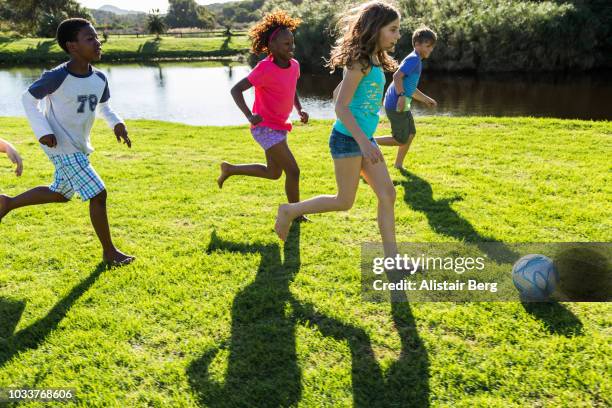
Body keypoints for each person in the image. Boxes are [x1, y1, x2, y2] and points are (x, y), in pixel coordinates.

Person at [0, 18, 134, 266]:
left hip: (79, 144)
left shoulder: (100, 78)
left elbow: (104, 106)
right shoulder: (57, 76)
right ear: (72, 46)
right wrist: (43, 131)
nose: (97, 42)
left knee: (60, 193)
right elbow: (28, 100)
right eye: (90, 38)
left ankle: (7, 203)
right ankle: (110, 253)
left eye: (97, 37)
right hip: (59, 144)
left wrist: (117, 123)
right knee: (98, 193)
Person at [275, 1, 401, 259]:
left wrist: (365, 135)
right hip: (348, 139)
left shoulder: (376, 59)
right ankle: (290, 210)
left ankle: (393, 260)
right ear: (376, 29)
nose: (398, 35)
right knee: (344, 201)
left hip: (362, 138)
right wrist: (364, 142)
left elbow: (337, 94)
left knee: (388, 194)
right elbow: (341, 107)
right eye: (393, 29)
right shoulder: (360, 62)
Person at [218, 11, 309, 221]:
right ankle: (295, 214)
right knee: (293, 171)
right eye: (286, 44)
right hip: (264, 127)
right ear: (273, 46)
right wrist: (250, 115)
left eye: (292, 43)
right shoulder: (264, 68)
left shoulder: (294, 65)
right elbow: (236, 90)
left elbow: (291, 88)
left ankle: (229, 169)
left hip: (280, 125)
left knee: (273, 173)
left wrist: (299, 108)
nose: (291, 47)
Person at [376, 26, 437, 170]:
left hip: (402, 102)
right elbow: (397, 76)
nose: (430, 50)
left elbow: (410, 88)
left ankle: (398, 165)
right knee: (400, 139)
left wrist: (426, 99)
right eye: (427, 46)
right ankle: (367, 142)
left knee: (410, 134)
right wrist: (402, 96)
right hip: (396, 104)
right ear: (417, 44)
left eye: (432, 47)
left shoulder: (416, 60)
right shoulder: (414, 59)